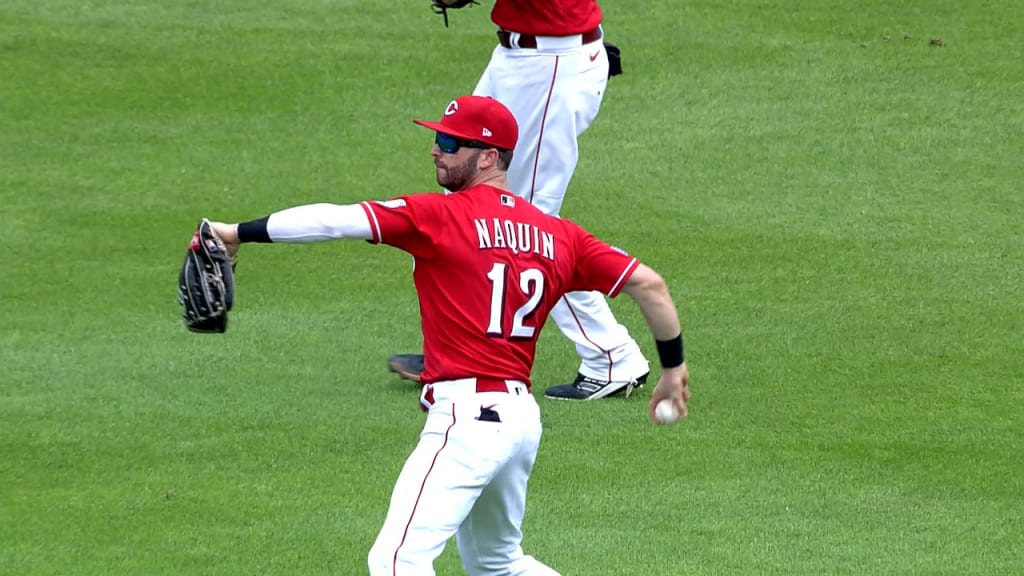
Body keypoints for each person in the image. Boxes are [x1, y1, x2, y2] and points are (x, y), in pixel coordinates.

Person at [204, 95, 690, 575]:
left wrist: (239, 232)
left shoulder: (440, 216)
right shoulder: (559, 234)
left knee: (396, 562)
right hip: (520, 419)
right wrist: (674, 368)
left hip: (467, 419)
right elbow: (649, 284)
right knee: (496, 563)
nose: (436, 149)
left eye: (450, 142)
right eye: (438, 138)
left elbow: (337, 219)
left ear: (488, 158)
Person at [388, 0, 650, 401]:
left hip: (551, 63)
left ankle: (612, 357)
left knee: (527, 230)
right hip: (517, 55)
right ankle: (460, 350)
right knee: (459, 202)